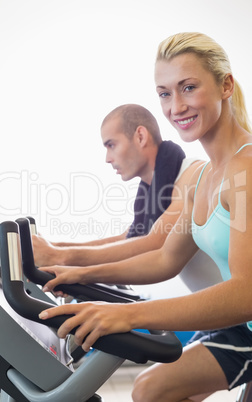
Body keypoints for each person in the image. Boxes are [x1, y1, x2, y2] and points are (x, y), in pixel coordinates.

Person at [37, 31, 252, 401]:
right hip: (237, 326)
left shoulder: (245, 171)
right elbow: (164, 257)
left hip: (243, 321)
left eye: (188, 88)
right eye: (165, 94)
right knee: (150, 390)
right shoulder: (199, 178)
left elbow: (247, 292)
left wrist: (130, 316)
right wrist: (78, 274)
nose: (176, 107)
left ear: (226, 86)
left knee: (151, 390)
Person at [33, 104, 220, 292]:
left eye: (111, 145)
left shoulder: (193, 175)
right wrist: (55, 247)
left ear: (140, 136)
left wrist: (59, 256)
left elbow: (157, 243)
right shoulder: (151, 194)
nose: (107, 158)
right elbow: (126, 240)